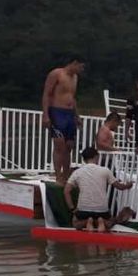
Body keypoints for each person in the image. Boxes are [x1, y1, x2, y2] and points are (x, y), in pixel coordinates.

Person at [64, 147, 133, 232]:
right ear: (96, 157)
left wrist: (72, 209)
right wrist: (128, 185)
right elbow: (120, 187)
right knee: (110, 221)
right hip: (102, 210)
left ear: (84, 159)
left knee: (75, 223)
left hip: (83, 210)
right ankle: (102, 221)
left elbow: (66, 191)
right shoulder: (105, 170)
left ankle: (87, 222)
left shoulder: (77, 172)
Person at [42, 55, 85, 185]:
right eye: (81, 67)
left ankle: (66, 176)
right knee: (59, 144)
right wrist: (46, 114)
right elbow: (47, 94)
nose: (81, 70)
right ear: (75, 63)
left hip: (69, 113)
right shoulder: (57, 73)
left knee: (69, 145)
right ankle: (58, 175)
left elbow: (72, 97)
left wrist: (76, 115)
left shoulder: (75, 78)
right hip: (57, 111)